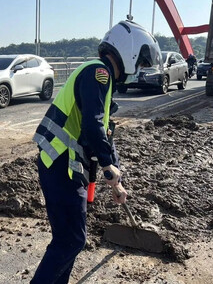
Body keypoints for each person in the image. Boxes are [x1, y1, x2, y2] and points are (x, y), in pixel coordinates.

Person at [31, 20, 161, 283]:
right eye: (141, 63)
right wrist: (105, 165)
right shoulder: (97, 73)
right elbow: (91, 126)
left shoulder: (103, 81)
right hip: (60, 162)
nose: (138, 71)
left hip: (64, 165)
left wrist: (116, 176)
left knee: (68, 239)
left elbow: (104, 134)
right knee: (72, 240)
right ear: (130, 51)